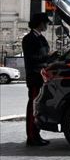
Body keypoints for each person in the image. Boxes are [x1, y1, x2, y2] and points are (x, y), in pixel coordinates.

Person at [22, 13, 56, 146]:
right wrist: (47, 57)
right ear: (40, 23)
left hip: (42, 76)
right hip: (34, 77)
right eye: (45, 22)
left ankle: (36, 134)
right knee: (33, 107)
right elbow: (31, 59)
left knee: (38, 108)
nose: (47, 25)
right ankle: (31, 136)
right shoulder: (28, 39)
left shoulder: (42, 38)